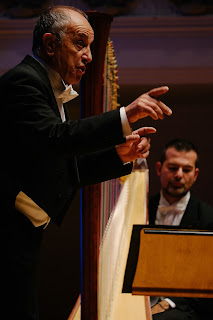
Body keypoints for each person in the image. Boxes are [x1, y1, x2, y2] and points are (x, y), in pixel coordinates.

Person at [0, 5, 172, 320]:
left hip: (20, 232)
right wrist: (125, 114)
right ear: (50, 44)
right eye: (80, 43)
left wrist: (117, 156)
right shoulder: (24, 81)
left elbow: (57, 163)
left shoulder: (48, 88)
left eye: (91, 46)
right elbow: (56, 139)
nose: (89, 56)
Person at [149, 138, 213, 320]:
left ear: (196, 174)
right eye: (172, 167)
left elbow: (204, 285)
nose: (179, 175)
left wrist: (165, 304)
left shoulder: (208, 219)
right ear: (159, 168)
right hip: (143, 298)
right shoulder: (142, 208)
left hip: (185, 307)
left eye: (186, 170)